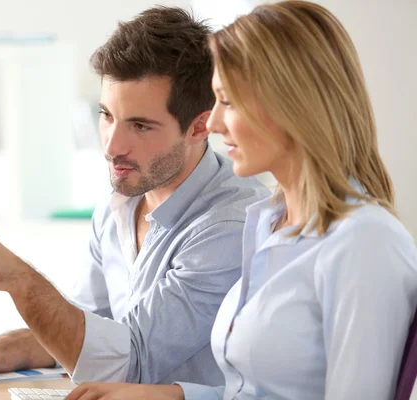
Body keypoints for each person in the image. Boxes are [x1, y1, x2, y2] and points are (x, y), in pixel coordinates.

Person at [64, 1, 417, 399]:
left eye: (227, 102)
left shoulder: (364, 243)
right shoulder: (270, 221)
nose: (212, 124)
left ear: (293, 108)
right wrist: (170, 396)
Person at [0, 6, 269, 386]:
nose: (113, 146)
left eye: (140, 125)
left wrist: (16, 277)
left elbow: (126, 363)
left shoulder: (230, 226)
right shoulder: (122, 201)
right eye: (107, 115)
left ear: (199, 126)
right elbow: (86, 333)